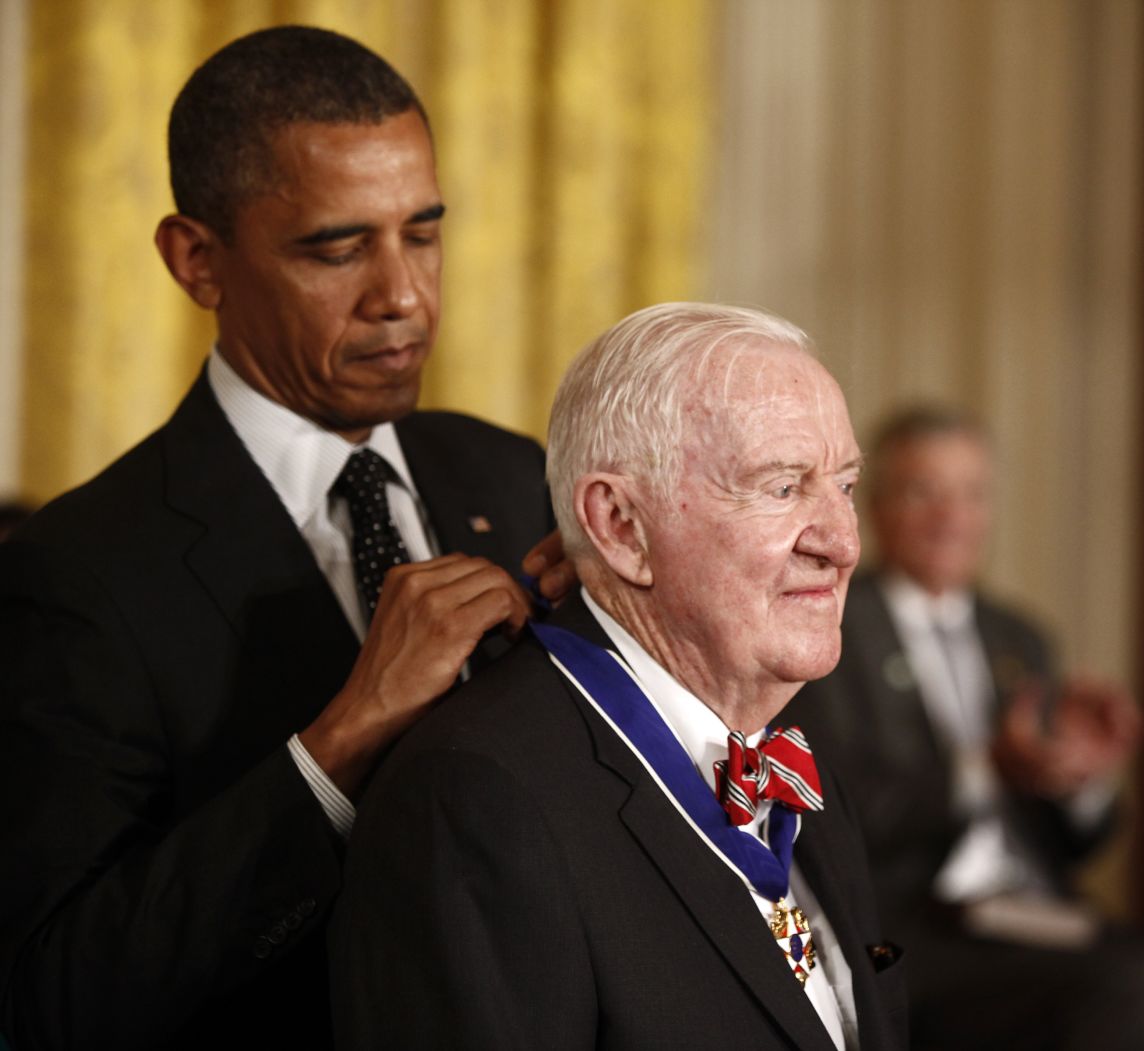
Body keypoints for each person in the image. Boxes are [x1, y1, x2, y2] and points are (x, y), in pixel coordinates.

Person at [0, 27, 568, 1050]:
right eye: (337, 247)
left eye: (423, 233)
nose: (402, 294)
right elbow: (59, 993)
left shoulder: (513, 475)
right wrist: (343, 736)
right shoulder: (75, 571)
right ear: (198, 260)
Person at [329, 303, 908, 1050]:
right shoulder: (475, 805)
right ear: (622, 527)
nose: (842, 541)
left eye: (846, 486)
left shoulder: (788, 742)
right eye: (782, 487)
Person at [786, 405, 1144, 1050]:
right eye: (923, 492)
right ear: (871, 509)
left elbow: (1081, 841)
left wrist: (1079, 778)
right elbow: (836, 812)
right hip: (911, 922)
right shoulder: (831, 632)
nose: (950, 517)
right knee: (1137, 990)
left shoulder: (1018, 637)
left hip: (1031, 910)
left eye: (970, 494)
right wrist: (986, 766)